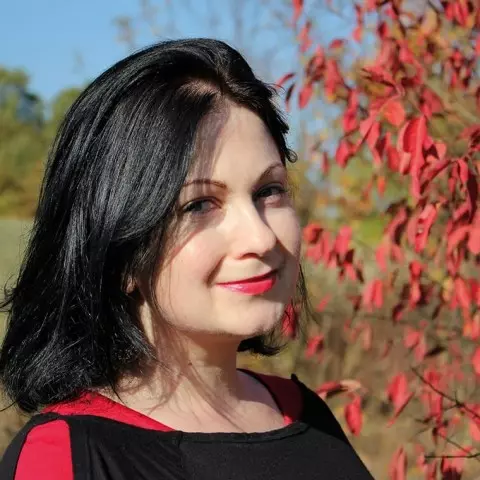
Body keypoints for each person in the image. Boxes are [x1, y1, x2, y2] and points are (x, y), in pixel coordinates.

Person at [0, 38, 374, 479]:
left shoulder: (304, 413)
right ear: (121, 250)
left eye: (268, 191)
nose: (260, 237)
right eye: (199, 205)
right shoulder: (66, 457)